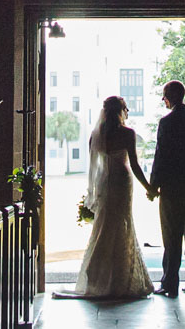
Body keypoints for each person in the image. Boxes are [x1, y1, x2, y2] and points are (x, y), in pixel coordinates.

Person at [58, 96, 155, 299]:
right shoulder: (128, 133)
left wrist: (93, 190)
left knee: (105, 225)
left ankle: (97, 276)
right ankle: (122, 278)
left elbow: (94, 167)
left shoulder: (96, 135)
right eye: (126, 109)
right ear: (121, 111)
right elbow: (135, 165)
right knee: (123, 223)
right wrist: (149, 187)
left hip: (104, 182)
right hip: (122, 180)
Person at [147, 80, 185, 296]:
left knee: (171, 235)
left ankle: (169, 283)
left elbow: (161, 156)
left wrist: (153, 185)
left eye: (163, 96)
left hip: (172, 187)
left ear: (168, 97)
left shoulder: (167, 122)